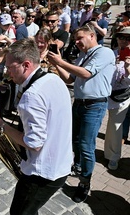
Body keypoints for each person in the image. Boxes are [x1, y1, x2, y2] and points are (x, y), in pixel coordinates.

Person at [0, 38, 72, 215]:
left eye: (10, 67)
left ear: (26, 65)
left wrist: (1, 126)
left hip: (42, 172)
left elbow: (35, 143)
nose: (7, 72)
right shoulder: (53, 79)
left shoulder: (31, 95)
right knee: (29, 213)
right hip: (60, 163)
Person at [48, 24, 116, 203]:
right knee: (75, 141)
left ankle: (85, 183)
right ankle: (78, 167)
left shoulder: (104, 53)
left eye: (80, 38)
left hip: (94, 106)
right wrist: (56, 64)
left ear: (92, 35)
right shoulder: (82, 55)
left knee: (86, 146)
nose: (76, 42)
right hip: (79, 103)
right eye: (75, 39)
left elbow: (86, 74)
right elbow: (70, 78)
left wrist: (61, 62)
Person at [104, 27, 130, 170]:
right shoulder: (110, 54)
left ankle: (113, 156)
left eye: (128, 38)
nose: (125, 41)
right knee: (105, 126)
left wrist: (127, 68)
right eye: (122, 37)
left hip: (121, 97)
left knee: (115, 127)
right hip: (105, 94)